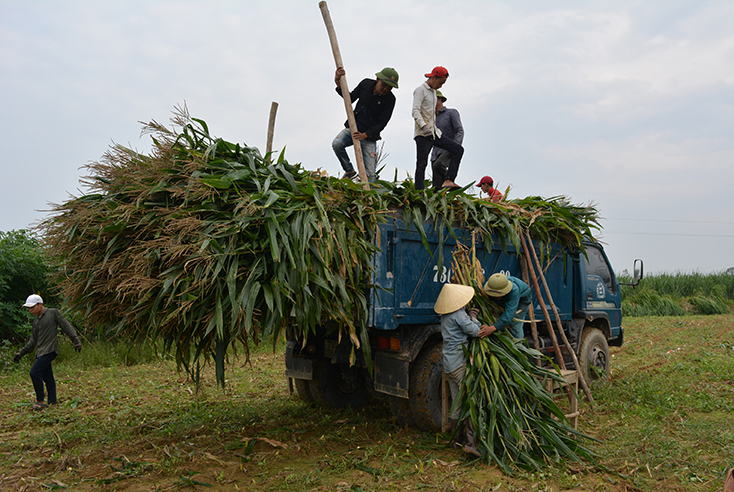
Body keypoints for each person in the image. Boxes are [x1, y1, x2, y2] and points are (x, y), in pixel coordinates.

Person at [434, 283, 492, 457]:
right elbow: (475, 332)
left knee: (456, 401)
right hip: (459, 363)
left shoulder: (444, 316)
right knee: (469, 400)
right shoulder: (459, 314)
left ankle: (456, 440)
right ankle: (471, 443)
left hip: (448, 363)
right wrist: (473, 317)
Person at [13, 294, 82, 410]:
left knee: (34, 372)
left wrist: (76, 341)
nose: (30, 310)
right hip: (40, 352)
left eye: (32, 307)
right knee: (48, 378)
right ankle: (53, 403)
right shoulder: (36, 322)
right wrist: (21, 353)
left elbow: (66, 326)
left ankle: (40, 400)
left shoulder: (53, 313)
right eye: (28, 308)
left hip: (50, 350)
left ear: (40, 304)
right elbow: (32, 342)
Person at [332, 67, 398, 182]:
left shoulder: (390, 99)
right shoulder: (366, 84)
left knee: (370, 177)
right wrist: (338, 82)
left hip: (369, 137)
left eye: (390, 87)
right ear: (377, 79)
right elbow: (350, 98)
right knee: (337, 144)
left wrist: (366, 135)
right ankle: (349, 170)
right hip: (353, 129)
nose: (386, 89)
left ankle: (367, 196)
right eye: (384, 84)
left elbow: (382, 123)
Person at [412, 66, 465, 191]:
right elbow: (415, 111)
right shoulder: (420, 90)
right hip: (423, 134)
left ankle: (449, 180)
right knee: (422, 164)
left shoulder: (434, 92)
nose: (441, 86)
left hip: (435, 133)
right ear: (434, 77)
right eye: (440, 82)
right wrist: (424, 127)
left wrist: (433, 129)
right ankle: (418, 192)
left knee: (458, 149)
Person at [430, 90, 464, 190]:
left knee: (439, 165)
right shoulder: (431, 117)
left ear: (439, 99)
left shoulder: (451, 113)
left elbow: (459, 130)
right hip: (435, 152)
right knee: (437, 186)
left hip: (448, 149)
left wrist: (455, 147)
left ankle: (451, 182)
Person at [481, 273, 532, 339]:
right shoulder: (489, 287)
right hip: (504, 300)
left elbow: (509, 314)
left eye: (499, 295)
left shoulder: (514, 290)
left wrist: (492, 328)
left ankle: (518, 345)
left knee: (514, 323)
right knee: (496, 318)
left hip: (521, 301)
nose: (497, 297)